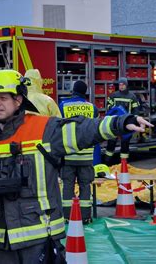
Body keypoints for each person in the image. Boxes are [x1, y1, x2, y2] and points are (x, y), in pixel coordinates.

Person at [0, 70, 151, 263]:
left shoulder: (44, 130)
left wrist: (121, 122)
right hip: (0, 244)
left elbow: (84, 130)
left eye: (2, 98)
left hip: (38, 241)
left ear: (18, 100)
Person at [58, 80, 97, 224]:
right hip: (86, 156)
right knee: (85, 186)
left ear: (73, 91)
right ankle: (86, 216)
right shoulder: (92, 108)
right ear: (85, 92)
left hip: (68, 155)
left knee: (67, 185)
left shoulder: (63, 106)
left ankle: (67, 216)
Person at [104, 77, 140, 165]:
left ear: (126, 85)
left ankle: (123, 164)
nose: (121, 86)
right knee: (111, 143)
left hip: (126, 123)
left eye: (123, 84)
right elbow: (108, 107)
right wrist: (114, 110)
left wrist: (133, 121)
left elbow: (136, 110)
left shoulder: (132, 97)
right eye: (120, 84)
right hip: (115, 122)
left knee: (125, 144)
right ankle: (106, 164)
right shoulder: (114, 95)